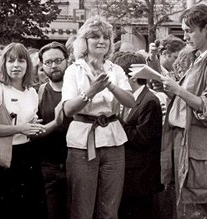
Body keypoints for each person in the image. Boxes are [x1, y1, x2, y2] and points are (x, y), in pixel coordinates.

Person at [160, 4, 207, 219]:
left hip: (197, 145)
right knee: (185, 206)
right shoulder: (200, 55)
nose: (185, 36)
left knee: (192, 209)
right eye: (183, 31)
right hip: (186, 142)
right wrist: (172, 90)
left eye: (189, 31)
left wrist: (178, 90)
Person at [61, 15, 135, 219]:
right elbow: (68, 109)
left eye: (106, 37)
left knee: (110, 208)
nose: (101, 41)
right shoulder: (73, 71)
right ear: (84, 41)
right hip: (82, 141)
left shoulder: (116, 69)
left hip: (113, 139)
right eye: (95, 36)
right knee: (82, 208)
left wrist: (110, 85)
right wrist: (91, 91)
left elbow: (131, 101)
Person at [0, 42, 47, 219]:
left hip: (26, 155)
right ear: (4, 64)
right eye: (11, 61)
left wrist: (32, 125)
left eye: (21, 61)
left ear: (28, 65)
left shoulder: (31, 92)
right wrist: (20, 128)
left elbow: (26, 122)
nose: (16, 65)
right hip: (0, 158)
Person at [114, 52, 163, 219]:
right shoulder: (131, 100)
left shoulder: (149, 101)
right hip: (129, 177)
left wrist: (116, 122)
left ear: (133, 77)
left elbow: (142, 138)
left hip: (140, 180)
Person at [34, 41, 72, 219]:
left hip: (77, 163)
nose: (54, 66)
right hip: (49, 166)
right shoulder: (38, 93)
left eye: (58, 60)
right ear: (42, 66)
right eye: (48, 62)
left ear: (67, 60)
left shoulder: (78, 90)